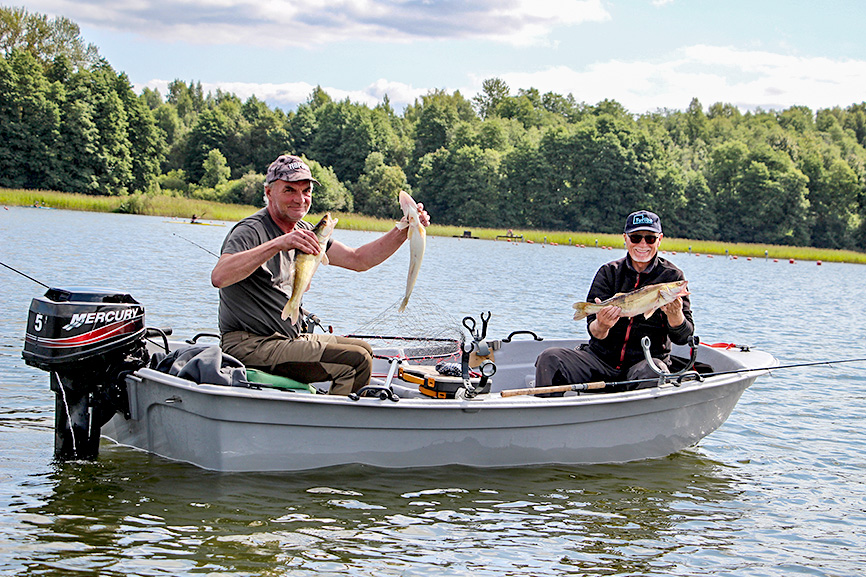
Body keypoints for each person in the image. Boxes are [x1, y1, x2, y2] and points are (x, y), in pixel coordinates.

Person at [211, 154, 430, 395]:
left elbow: (359, 259)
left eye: (306, 191)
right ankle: (333, 426)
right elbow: (220, 277)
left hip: (287, 339)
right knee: (356, 362)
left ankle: (331, 415)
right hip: (250, 345)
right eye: (289, 190)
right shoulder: (250, 231)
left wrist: (404, 229)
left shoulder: (307, 231)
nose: (300, 199)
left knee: (365, 350)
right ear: (269, 192)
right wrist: (278, 244)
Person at [535, 210, 693, 392]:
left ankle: (635, 418)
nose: (643, 244)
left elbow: (683, 338)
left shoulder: (672, 276)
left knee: (655, 371)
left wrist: (676, 316)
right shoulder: (609, 272)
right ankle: (551, 416)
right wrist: (602, 324)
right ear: (625, 238)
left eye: (650, 238)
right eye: (635, 238)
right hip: (600, 361)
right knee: (550, 358)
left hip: (643, 366)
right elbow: (595, 332)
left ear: (659, 239)